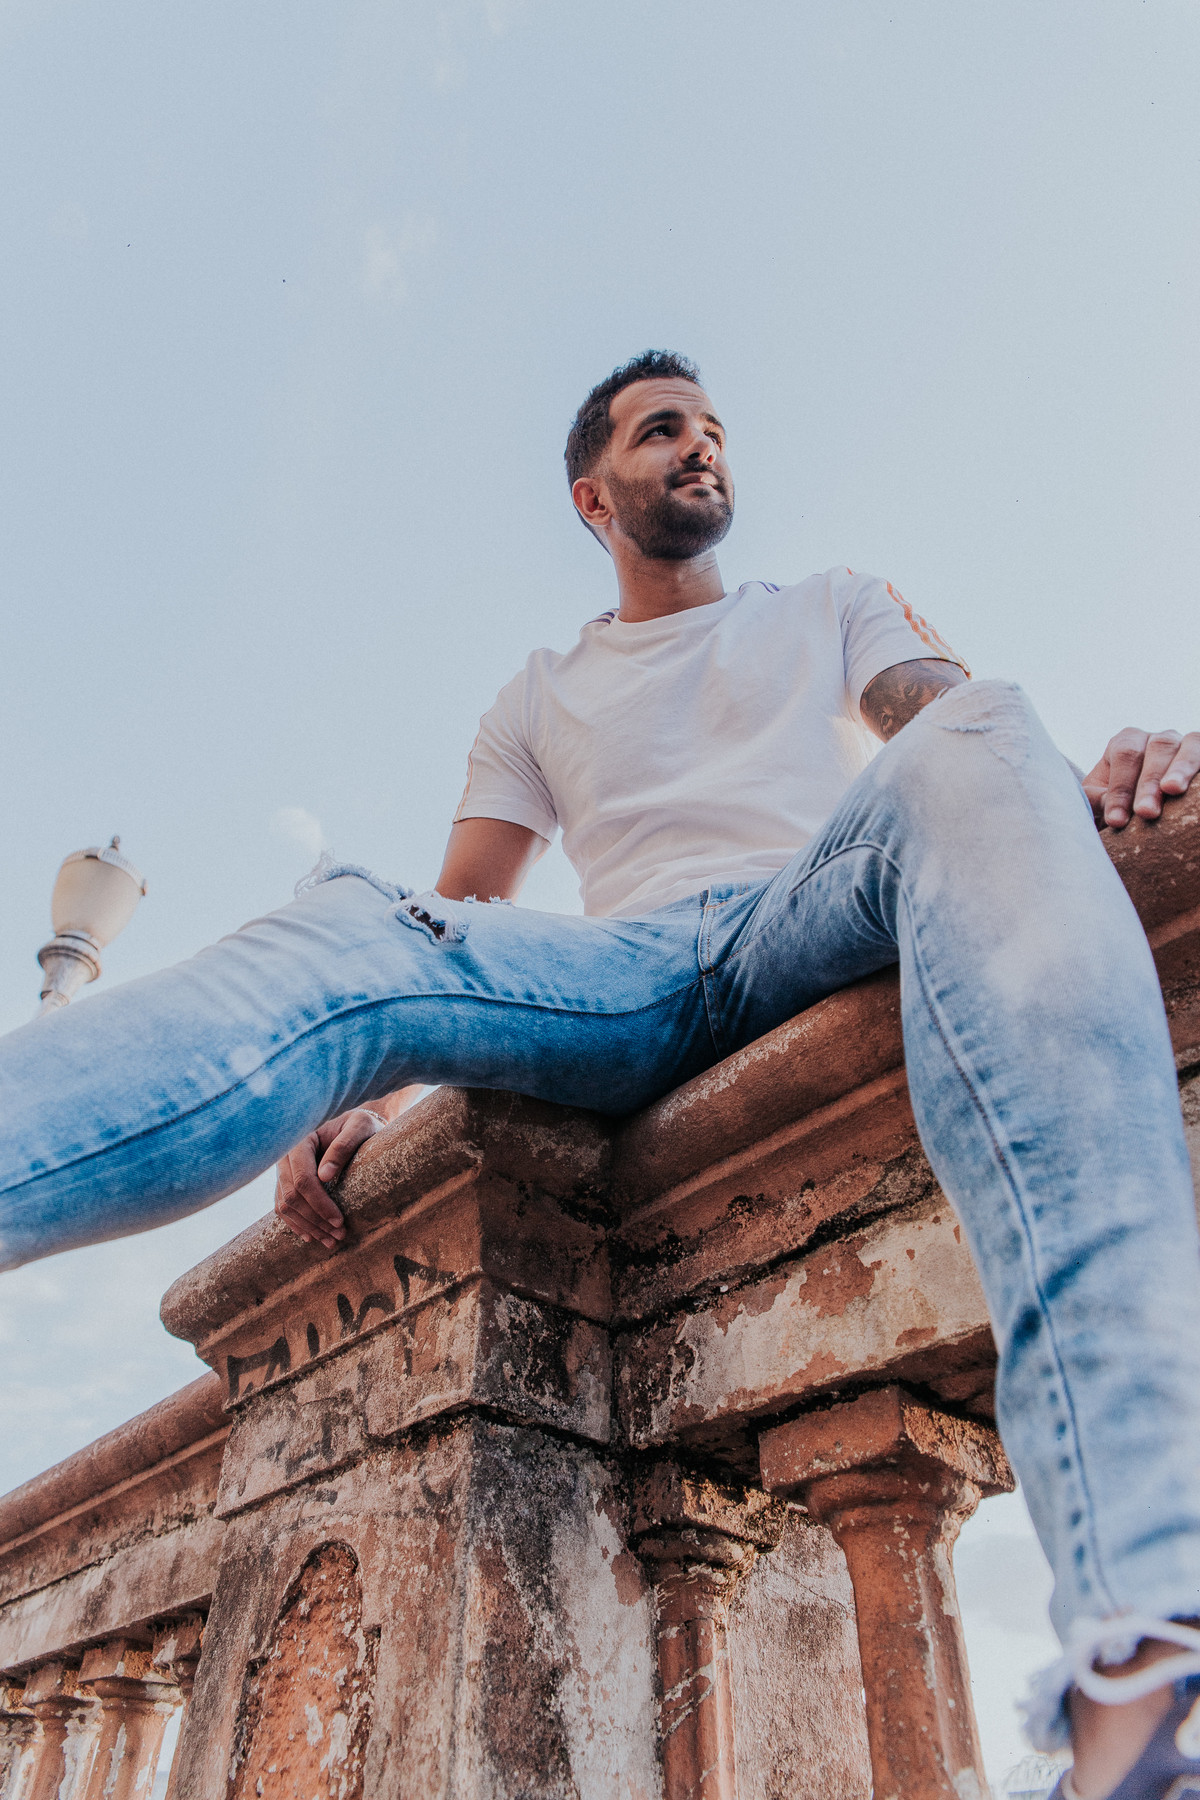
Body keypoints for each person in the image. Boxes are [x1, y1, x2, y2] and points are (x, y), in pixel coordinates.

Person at [3, 351, 1199, 1797]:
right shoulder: (540, 692)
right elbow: (459, 911)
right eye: (659, 431)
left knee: (989, 723)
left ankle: (1149, 1656)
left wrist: (1067, 789)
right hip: (625, 970)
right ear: (593, 494)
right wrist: (361, 1091)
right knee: (345, 918)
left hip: (815, 904)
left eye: (709, 428)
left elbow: (940, 726)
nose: (698, 448)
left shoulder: (829, 602)